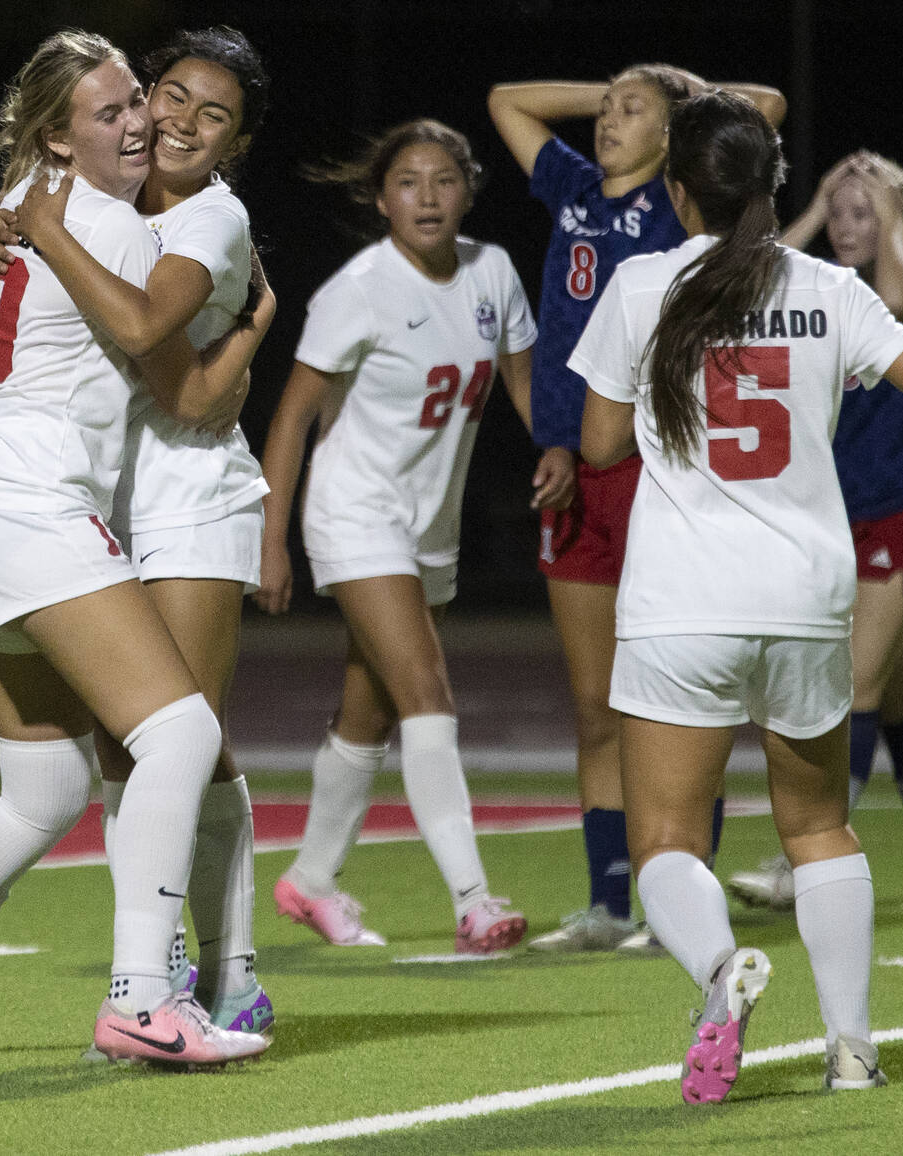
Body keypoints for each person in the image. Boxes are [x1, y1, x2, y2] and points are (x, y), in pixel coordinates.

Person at [0, 30, 274, 1068]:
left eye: (136, 104)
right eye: (116, 110)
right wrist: (251, 327)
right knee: (180, 736)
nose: (143, 123)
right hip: (33, 506)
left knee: (45, 795)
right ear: (57, 137)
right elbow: (154, 334)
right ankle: (142, 998)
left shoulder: (33, 192)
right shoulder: (111, 224)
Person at [575, 90, 903, 1100]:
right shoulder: (832, 287)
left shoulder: (642, 284)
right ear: (773, 185)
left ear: (677, 189)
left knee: (662, 837)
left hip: (682, 595)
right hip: (807, 591)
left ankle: (718, 970)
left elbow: (601, 442)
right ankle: (853, 1047)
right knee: (820, 825)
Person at [0, 25, 276, 1038]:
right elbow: (0, 203)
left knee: (187, 742)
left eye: (211, 114)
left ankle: (222, 971)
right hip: (101, 504)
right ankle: (162, 970)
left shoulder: (210, 218)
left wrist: (252, 338)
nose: (178, 120)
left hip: (186, 493)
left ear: (234, 145)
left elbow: (175, 380)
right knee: (135, 754)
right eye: (169, 94)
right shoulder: (118, 188)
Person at [488, 67, 786, 953]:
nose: (609, 121)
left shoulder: (673, 197)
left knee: (679, 693)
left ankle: (680, 904)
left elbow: (763, 108)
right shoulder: (574, 187)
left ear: (674, 141)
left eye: (630, 114)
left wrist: (676, 94)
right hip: (577, 464)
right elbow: (508, 100)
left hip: (656, 463)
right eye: (605, 111)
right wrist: (619, 90)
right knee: (595, 704)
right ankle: (610, 903)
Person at [256, 119, 545, 954]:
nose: (427, 195)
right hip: (354, 510)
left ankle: (309, 880)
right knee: (427, 691)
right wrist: (271, 540)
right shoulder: (359, 288)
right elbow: (292, 415)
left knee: (369, 712)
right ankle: (474, 900)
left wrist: (563, 451)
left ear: (468, 190)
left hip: (429, 523)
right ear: (382, 199)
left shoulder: (492, 270)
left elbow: (525, 385)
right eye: (409, 182)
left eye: (444, 179)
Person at [729, 152, 903, 912]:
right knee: (896, 699)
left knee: (851, 684)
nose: (850, 227)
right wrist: (819, 206)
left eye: (866, 213)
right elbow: (745, 279)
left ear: (898, 216)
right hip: (848, 510)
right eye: (842, 214)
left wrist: (890, 220)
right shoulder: (818, 288)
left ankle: (806, 859)